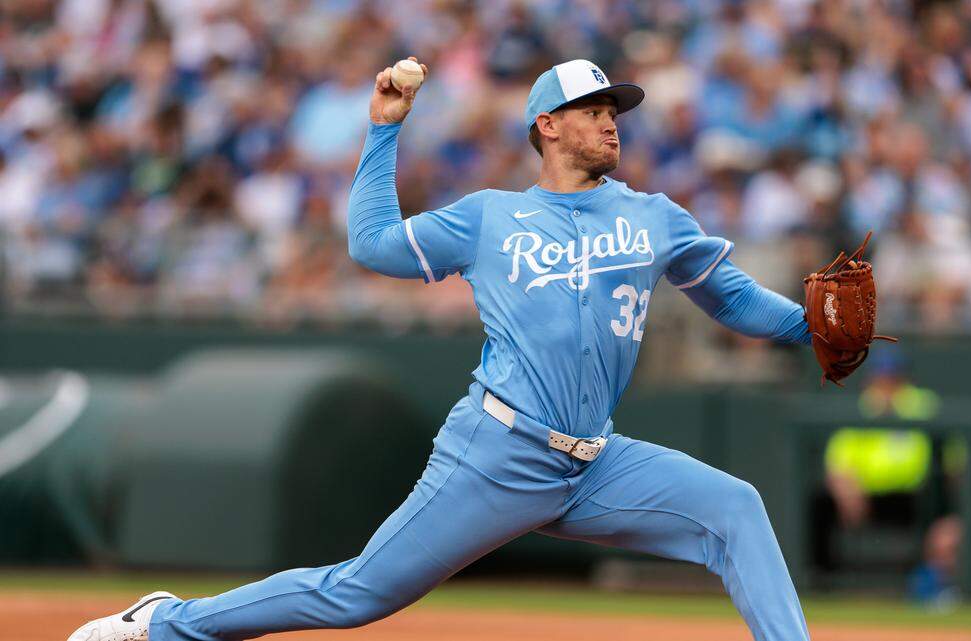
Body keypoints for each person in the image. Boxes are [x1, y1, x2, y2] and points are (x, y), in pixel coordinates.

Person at [69, 58, 814, 641]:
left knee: (735, 508)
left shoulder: (655, 218)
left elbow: (733, 297)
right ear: (547, 126)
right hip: (498, 451)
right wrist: (385, 129)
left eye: (614, 110)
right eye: (593, 110)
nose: (611, 122)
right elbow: (370, 244)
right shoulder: (489, 218)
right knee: (357, 594)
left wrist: (809, 325)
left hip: (596, 462)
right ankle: (168, 622)